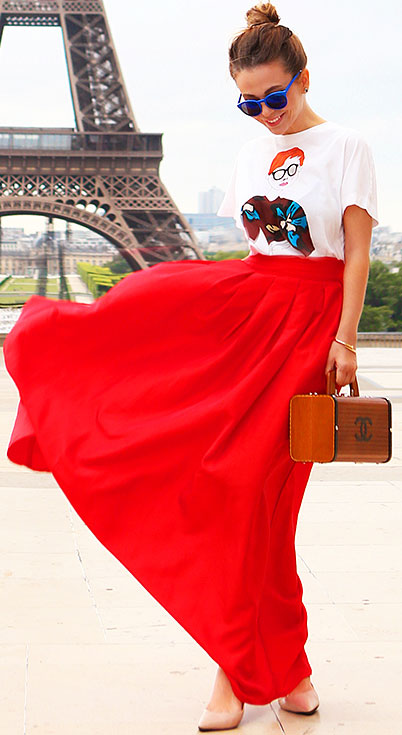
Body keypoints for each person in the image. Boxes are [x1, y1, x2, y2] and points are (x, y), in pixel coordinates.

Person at [3, 2, 377, 732]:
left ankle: (244, 674)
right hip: (249, 313)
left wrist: (346, 339)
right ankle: (276, 671)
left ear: (304, 80)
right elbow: (260, 248)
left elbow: (356, 252)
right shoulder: (248, 149)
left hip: (307, 332)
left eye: (275, 97)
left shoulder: (348, 145)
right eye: (248, 101)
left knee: (259, 507)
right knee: (238, 500)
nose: (263, 112)